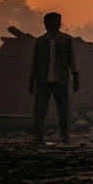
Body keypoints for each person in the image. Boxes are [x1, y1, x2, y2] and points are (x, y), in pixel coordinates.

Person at [28, 12, 79, 144]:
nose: (54, 24)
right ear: (45, 24)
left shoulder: (67, 40)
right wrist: (31, 79)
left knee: (63, 110)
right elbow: (35, 61)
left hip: (60, 80)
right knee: (39, 111)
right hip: (42, 80)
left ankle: (65, 135)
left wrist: (75, 76)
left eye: (56, 21)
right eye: (51, 21)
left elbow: (72, 59)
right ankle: (38, 136)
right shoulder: (40, 42)